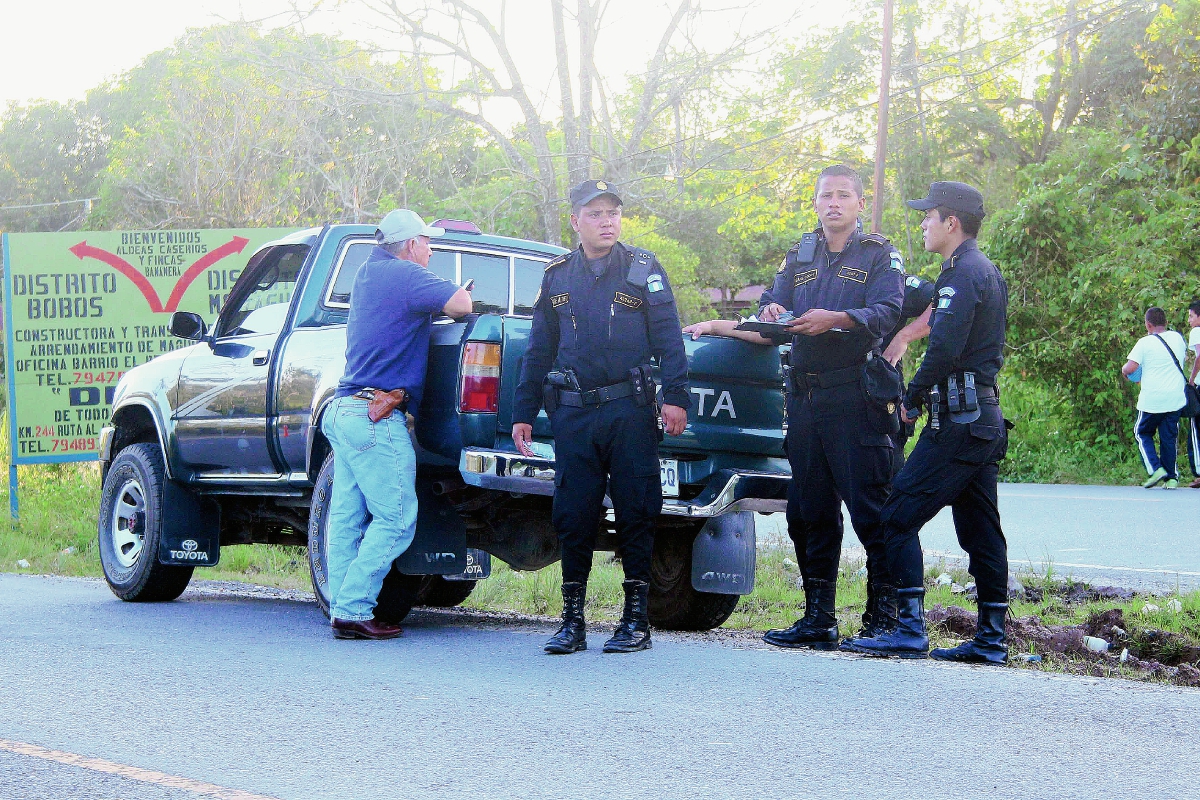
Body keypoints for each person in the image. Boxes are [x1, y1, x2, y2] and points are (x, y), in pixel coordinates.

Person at [713, 164, 905, 651]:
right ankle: (818, 618)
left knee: (871, 508)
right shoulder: (799, 254)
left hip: (855, 396)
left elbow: (888, 312)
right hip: (804, 397)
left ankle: (884, 619)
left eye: (843, 195)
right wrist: (770, 312)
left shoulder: (879, 255)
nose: (833, 203)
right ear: (816, 202)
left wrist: (837, 319)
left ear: (860, 203)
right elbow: (771, 308)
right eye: (826, 196)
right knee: (807, 511)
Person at [512, 179, 690, 655]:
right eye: (595, 214)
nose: (606, 221)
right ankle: (572, 622)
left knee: (636, 510)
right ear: (576, 221)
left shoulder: (642, 269)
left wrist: (676, 396)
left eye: (613, 213)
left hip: (629, 411)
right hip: (574, 414)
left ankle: (636, 621)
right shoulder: (557, 277)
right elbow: (539, 349)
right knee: (573, 515)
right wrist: (523, 410)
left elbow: (670, 338)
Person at [845, 180, 1012, 664]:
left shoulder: (963, 274)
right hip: (982, 420)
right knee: (981, 530)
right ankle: (991, 639)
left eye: (928, 216)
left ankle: (909, 629)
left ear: (950, 222)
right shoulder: (983, 270)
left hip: (959, 422)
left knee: (896, 515)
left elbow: (944, 348)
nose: (922, 223)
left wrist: (911, 396)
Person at [321, 209, 473, 640]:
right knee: (398, 519)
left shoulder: (369, 274)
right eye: (427, 242)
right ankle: (354, 607)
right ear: (410, 245)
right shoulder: (405, 274)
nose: (431, 250)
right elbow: (462, 305)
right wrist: (454, 292)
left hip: (346, 409)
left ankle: (343, 609)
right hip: (377, 415)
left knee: (347, 519)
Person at [1122, 307, 1187, 490]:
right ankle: (1171, 479)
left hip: (1152, 400)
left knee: (1142, 432)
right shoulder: (1178, 338)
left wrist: (1124, 371)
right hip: (1175, 398)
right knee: (1168, 438)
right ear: (1166, 322)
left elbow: (1130, 368)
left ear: (1148, 325)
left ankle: (1155, 468)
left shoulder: (1144, 343)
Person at [1184, 301, 1200, 487]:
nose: (1189, 320)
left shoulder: (1196, 331)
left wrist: (1192, 378)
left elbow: (1199, 356)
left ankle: (1199, 472)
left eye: (1191, 316)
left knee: (1195, 428)